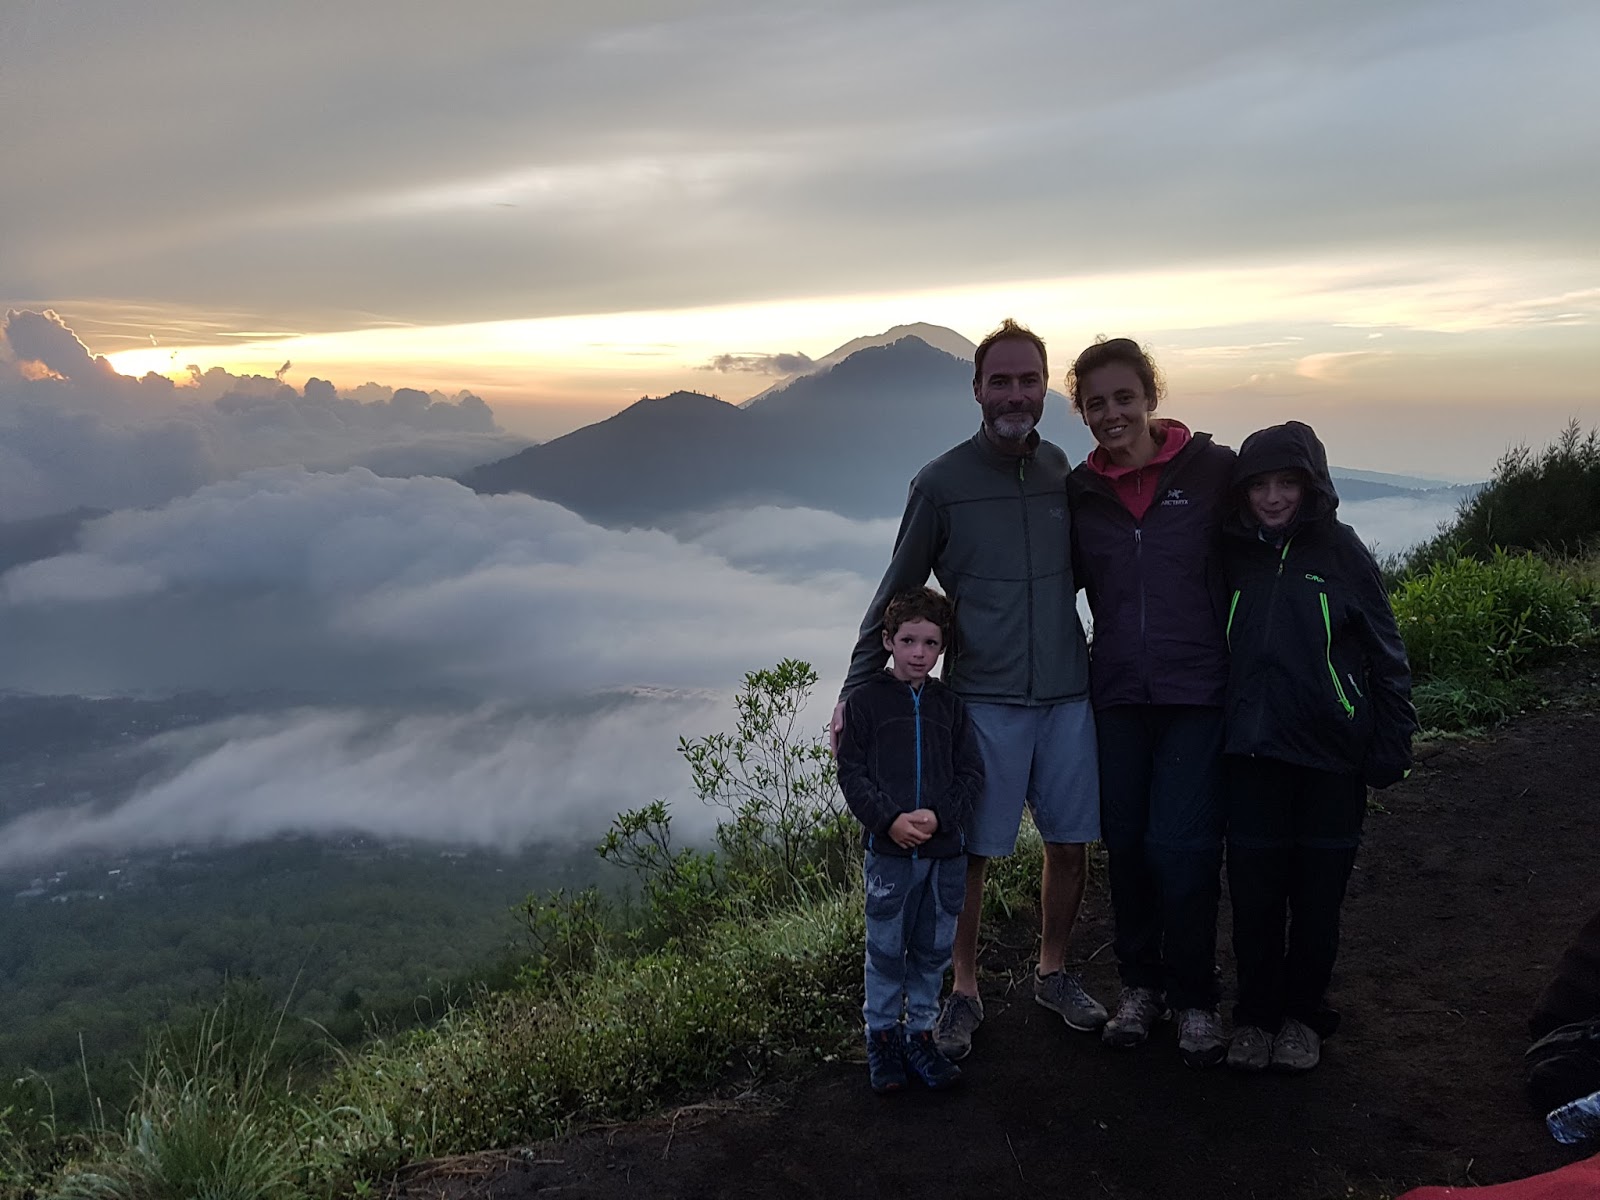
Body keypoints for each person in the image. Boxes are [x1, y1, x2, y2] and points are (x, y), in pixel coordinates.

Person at [832, 318, 1104, 1063]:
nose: (1015, 392)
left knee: (1070, 843)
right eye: (1001, 380)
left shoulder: (1064, 475)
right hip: (981, 698)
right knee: (966, 853)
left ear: (1046, 388)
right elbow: (897, 592)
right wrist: (858, 694)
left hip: (1067, 692)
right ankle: (964, 990)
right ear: (977, 389)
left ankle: (1052, 972)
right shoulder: (942, 484)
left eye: (1028, 380)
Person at [1221, 420, 1416, 1072]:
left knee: (1316, 899)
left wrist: (1392, 737)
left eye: (1287, 484)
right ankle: (1255, 1016)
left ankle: (1304, 1015)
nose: (1273, 498)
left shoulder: (1343, 553)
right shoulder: (1231, 557)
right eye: (1260, 486)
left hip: (1331, 756)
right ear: (1243, 492)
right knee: (1253, 898)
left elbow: (1387, 655)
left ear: (1312, 485)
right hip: (1251, 756)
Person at [1064, 337, 1235, 1067]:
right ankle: (1142, 987)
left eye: (1123, 397)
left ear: (1150, 395)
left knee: (1184, 846)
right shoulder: (1080, 491)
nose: (1111, 413)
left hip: (1198, 691)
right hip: (1119, 694)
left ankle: (1195, 996)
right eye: (1095, 403)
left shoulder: (1215, 472)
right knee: (1128, 842)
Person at [836, 586, 985, 1092]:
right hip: (889, 855)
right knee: (884, 950)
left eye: (930, 642)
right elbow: (852, 772)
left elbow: (971, 772)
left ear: (943, 648)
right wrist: (888, 821)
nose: (919, 652)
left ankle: (920, 1036)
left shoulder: (951, 707)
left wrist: (941, 817)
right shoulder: (865, 703)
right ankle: (881, 1039)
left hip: (944, 855)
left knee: (931, 949)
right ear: (887, 641)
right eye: (908, 640)